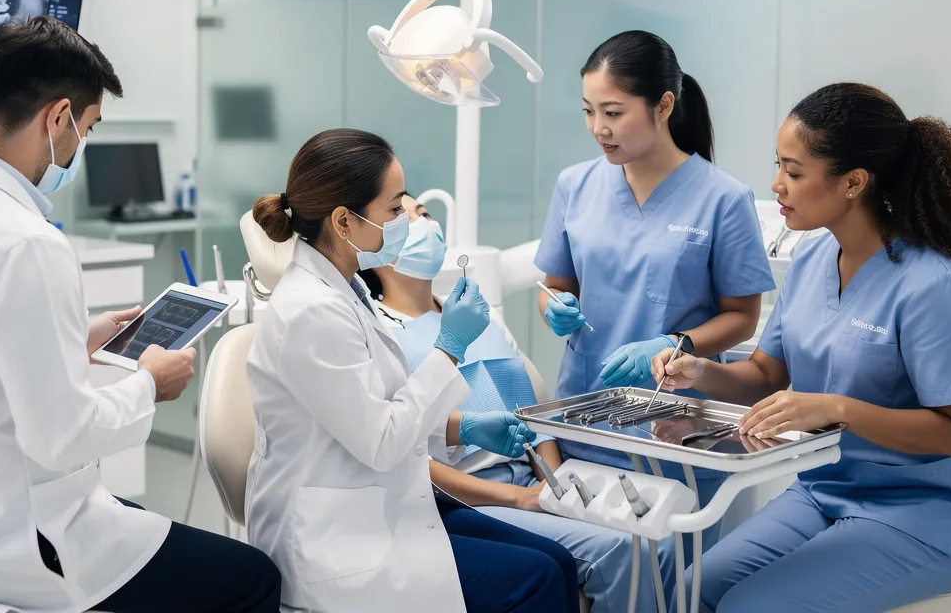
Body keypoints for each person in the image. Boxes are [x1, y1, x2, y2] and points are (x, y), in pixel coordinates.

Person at [0, 16, 281, 613]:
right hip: (10, 546)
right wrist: (148, 384)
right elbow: (61, 440)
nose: (79, 147)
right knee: (253, 577)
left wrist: (73, 339)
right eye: (86, 130)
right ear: (57, 118)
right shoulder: (25, 242)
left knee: (140, 521)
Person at [654, 83, 951, 611]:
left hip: (925, 513)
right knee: (691, 589)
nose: (777, 185)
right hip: (824, 490)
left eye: (794, 173)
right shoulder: (814, 260)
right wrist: (699, 371)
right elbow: (767, 376)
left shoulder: (934, 288)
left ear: (853, 182)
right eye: (779, 167)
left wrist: (838, 409)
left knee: (754, 607)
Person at [247, 129, 578, 613]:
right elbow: (381, 440)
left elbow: (376, 404)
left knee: (558, 561)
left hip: (386, 498)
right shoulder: (309, 312)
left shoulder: (347, 290)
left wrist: (464, 426)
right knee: (537, 578)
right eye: (395, 208)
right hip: (340, 535)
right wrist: (450, 347)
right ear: (343, 221)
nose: (406, 220)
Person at [533, 30, 777, 579]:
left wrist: (676, 343)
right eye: (589, 111)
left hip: (674, 428)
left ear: (664, 105)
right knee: (582, 572)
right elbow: (558, 285)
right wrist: (559, 308)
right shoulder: (575, 185)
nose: (600, 128)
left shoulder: (721, 197)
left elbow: (743, 316)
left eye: (614, 112)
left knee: (665, 584)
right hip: (586, 415)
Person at [359, 195, 650, 613]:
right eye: (402, 215)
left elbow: (529, 410)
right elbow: (403, 453)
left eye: (423, 212)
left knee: (651, 533)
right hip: (463, 499)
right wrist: (517, 498)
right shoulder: (378, 331)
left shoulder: (473, 316)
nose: (422, 222)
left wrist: (553, 479)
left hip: (533, 482)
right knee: (624, 550)